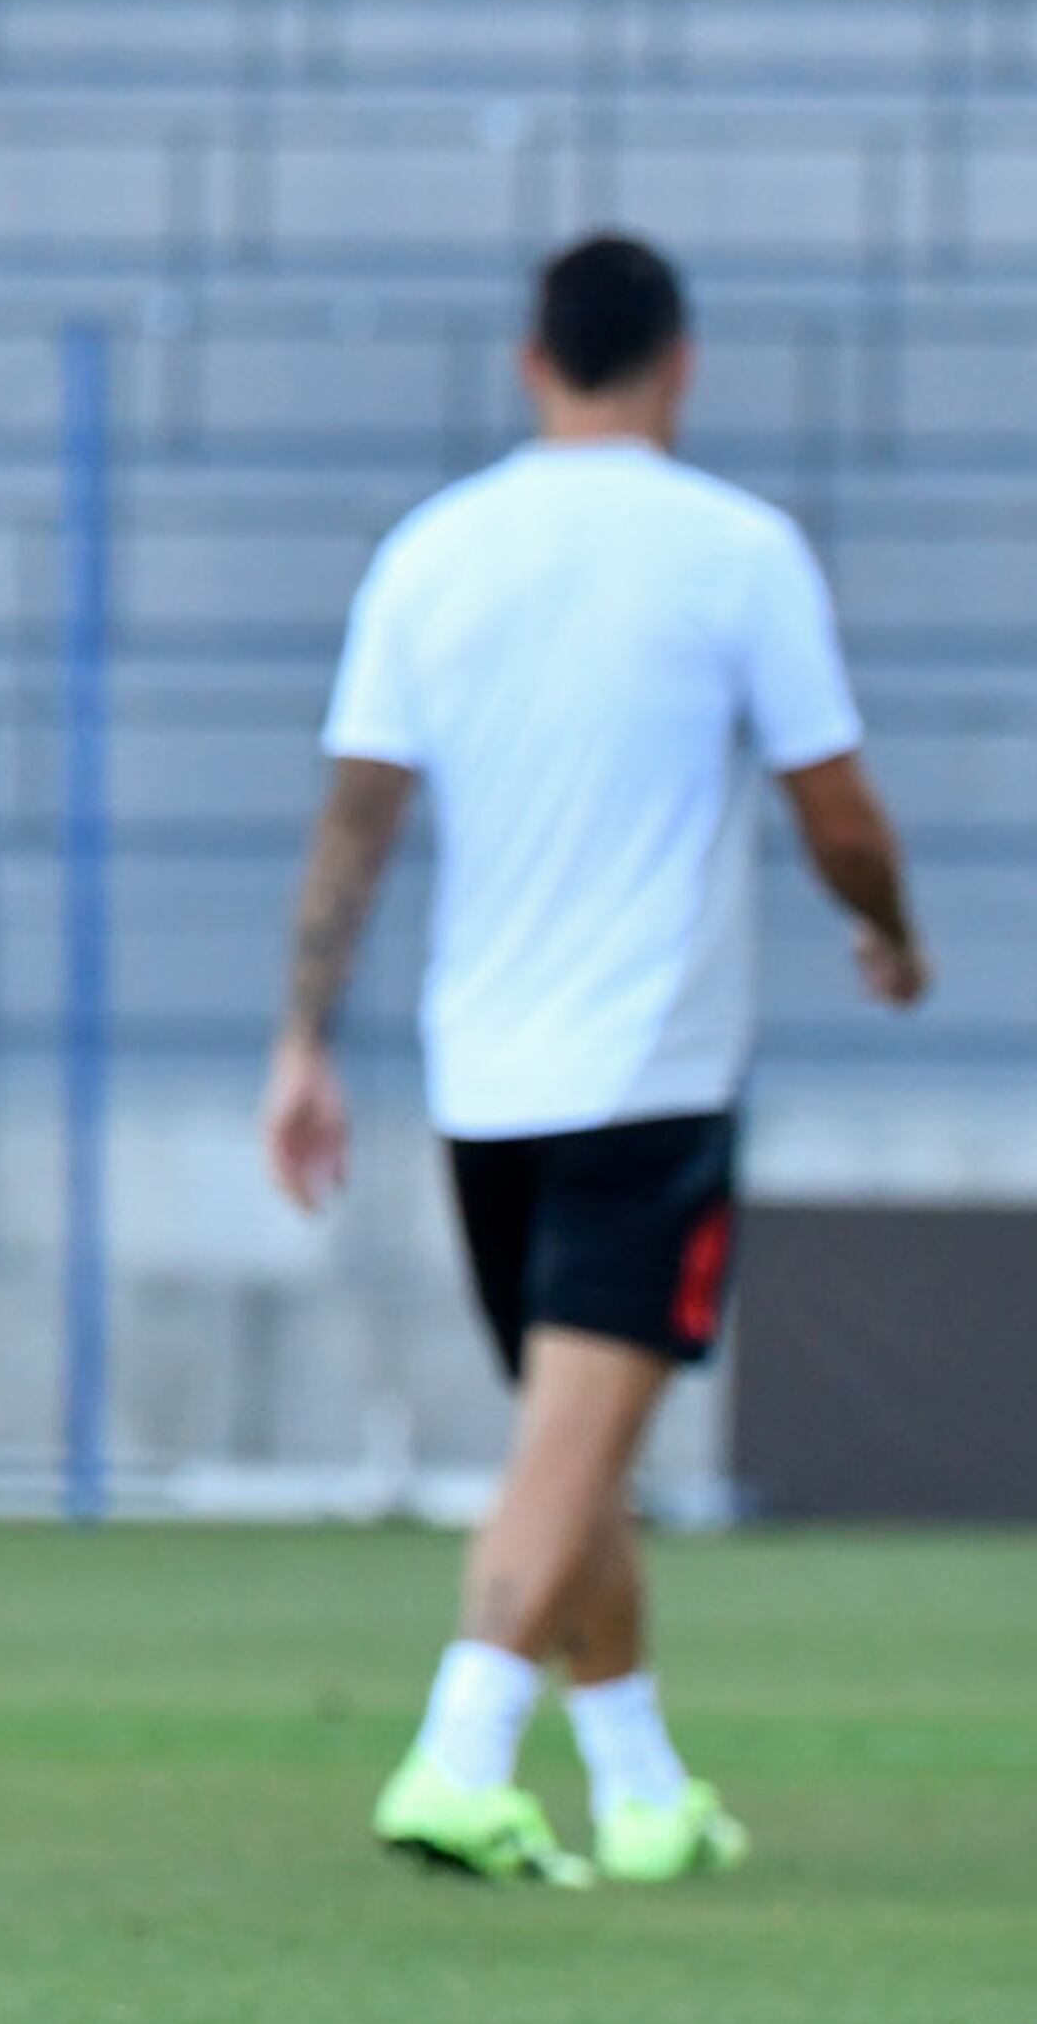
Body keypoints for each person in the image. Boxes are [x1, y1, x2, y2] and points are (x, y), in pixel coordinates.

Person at [265, 230, 924, 1892]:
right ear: (680, 362)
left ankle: (638, 1785)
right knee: (574, 1442)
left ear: (532, 358)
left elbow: (358, 818)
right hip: (656, 1066)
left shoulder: (435, 549)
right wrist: (887, 927)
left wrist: (302, 1040)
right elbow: (831, 799)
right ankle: (459, 1751)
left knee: (580, 1440)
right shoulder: (735, 552)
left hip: (485, 1067)